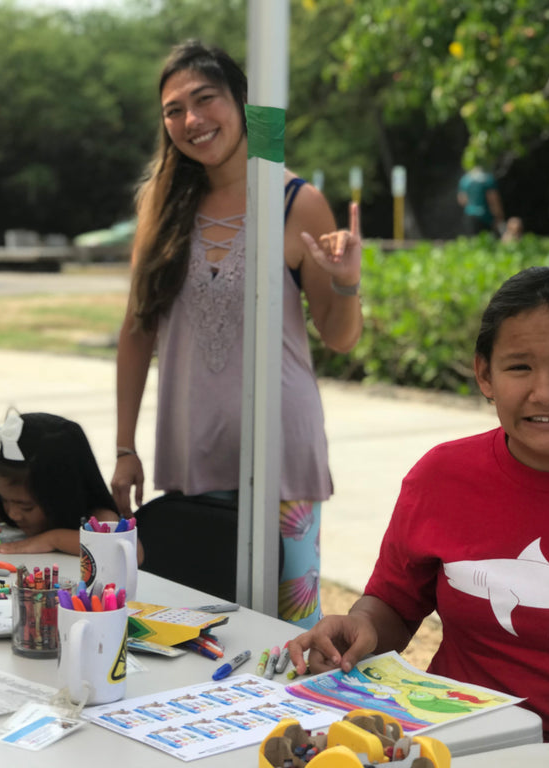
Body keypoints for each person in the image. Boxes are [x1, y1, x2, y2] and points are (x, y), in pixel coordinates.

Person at [285, 265, 549, 742]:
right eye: (519, 367)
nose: (545, 392)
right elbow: (394, 605)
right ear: (485, 374)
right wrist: (357, 627)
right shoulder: (441, 476)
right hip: (456, 740)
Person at [110, 40, 362, 628]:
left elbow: (340, 338)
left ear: (242, 103)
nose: (192, 120)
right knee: (193, 629)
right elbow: (135, 330)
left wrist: (346, 285)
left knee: (287, 631)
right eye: (174, 109)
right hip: (192, 451)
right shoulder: (160, 205)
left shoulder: (295, 201)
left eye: (206, 99)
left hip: (283, 454)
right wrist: (125, 448)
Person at [0, 411, 143, 559]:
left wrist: (53, 539)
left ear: (64, 492)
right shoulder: (13, 507)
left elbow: (131, 551)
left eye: (26, 506)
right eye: (4, 500)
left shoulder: (97, 517)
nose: (12, 513)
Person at [457, 164, 505, 236]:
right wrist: (499, 217)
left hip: (470, 215)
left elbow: (462, 200)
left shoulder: (465, 180)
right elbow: (493, 200)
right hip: (485, 216)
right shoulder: (488, 179)